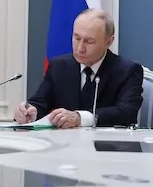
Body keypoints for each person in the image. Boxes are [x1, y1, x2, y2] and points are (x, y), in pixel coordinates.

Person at [15, 9, 143, 129]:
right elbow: (40, 102)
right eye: (77, 38)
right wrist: (30, 112)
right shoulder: (59, 66)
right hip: (63, 142)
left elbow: (126, 112)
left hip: (104, 143)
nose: (80, 48)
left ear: (109, 41)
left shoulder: (128, 71)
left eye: (89, 41)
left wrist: (80, 118)